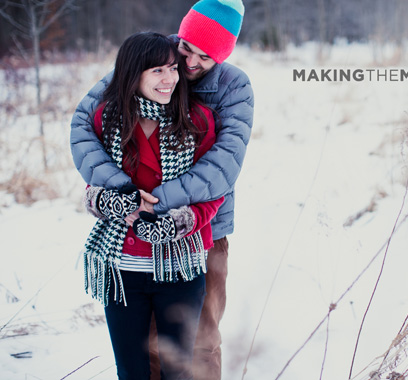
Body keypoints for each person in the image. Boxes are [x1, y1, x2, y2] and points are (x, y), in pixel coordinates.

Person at [70, 1, 253, 379]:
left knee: (200, 340)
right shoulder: (156, 57)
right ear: (180, 35)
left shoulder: (235, 86)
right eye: (187, 48)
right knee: (149, 345)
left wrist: (159, 205)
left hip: (203, 231)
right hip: (135, 234)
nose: (187, 65)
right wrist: (119, 190)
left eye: (205, 57)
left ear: (221, 56)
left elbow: (224, 165)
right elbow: (83, 124)